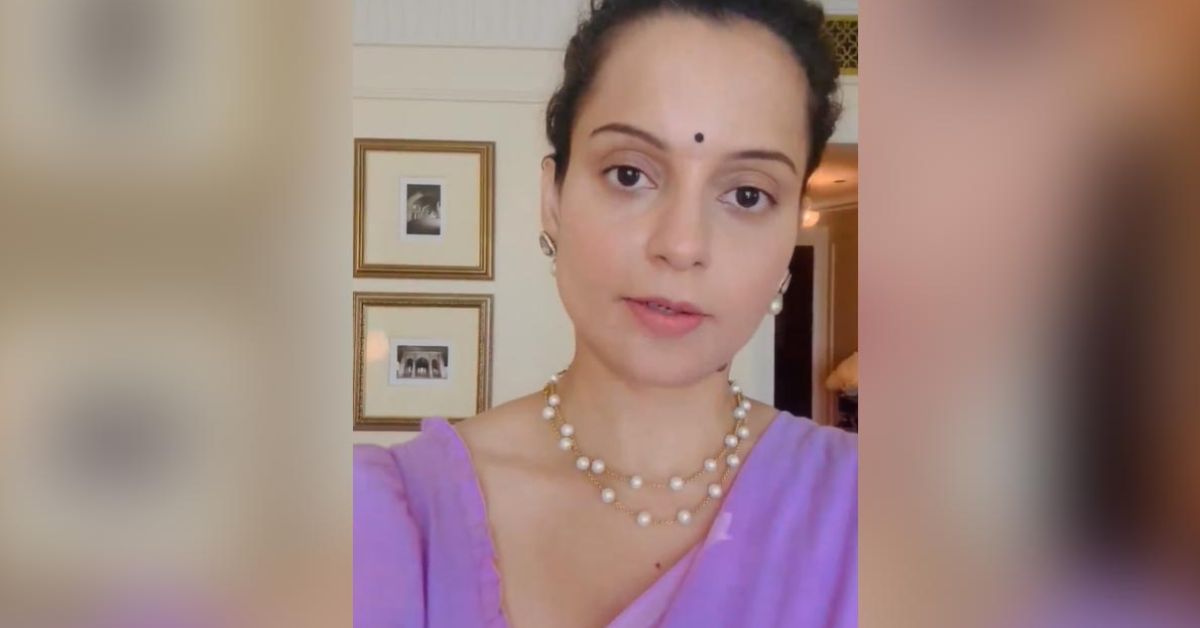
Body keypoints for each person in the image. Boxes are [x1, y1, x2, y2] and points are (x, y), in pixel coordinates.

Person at [354, 1, 856, 626]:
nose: (681, 244)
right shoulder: (373, 524)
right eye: (629, 174)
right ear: (553, 200)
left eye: (747, 194)